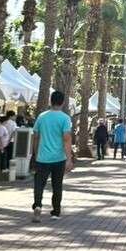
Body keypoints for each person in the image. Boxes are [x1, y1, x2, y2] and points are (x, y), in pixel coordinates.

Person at [30, 90, 75, 223]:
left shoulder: (42, 117)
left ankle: (37, 205)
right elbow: (66, 139)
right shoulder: (65, 118)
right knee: (57, 185)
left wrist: (35, 153)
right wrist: (69, 158)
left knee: (39, 183)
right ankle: (55, 211)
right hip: (59, 158)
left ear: (51, 101)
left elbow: (35, 136)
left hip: (42, 157)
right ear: (63, 102)